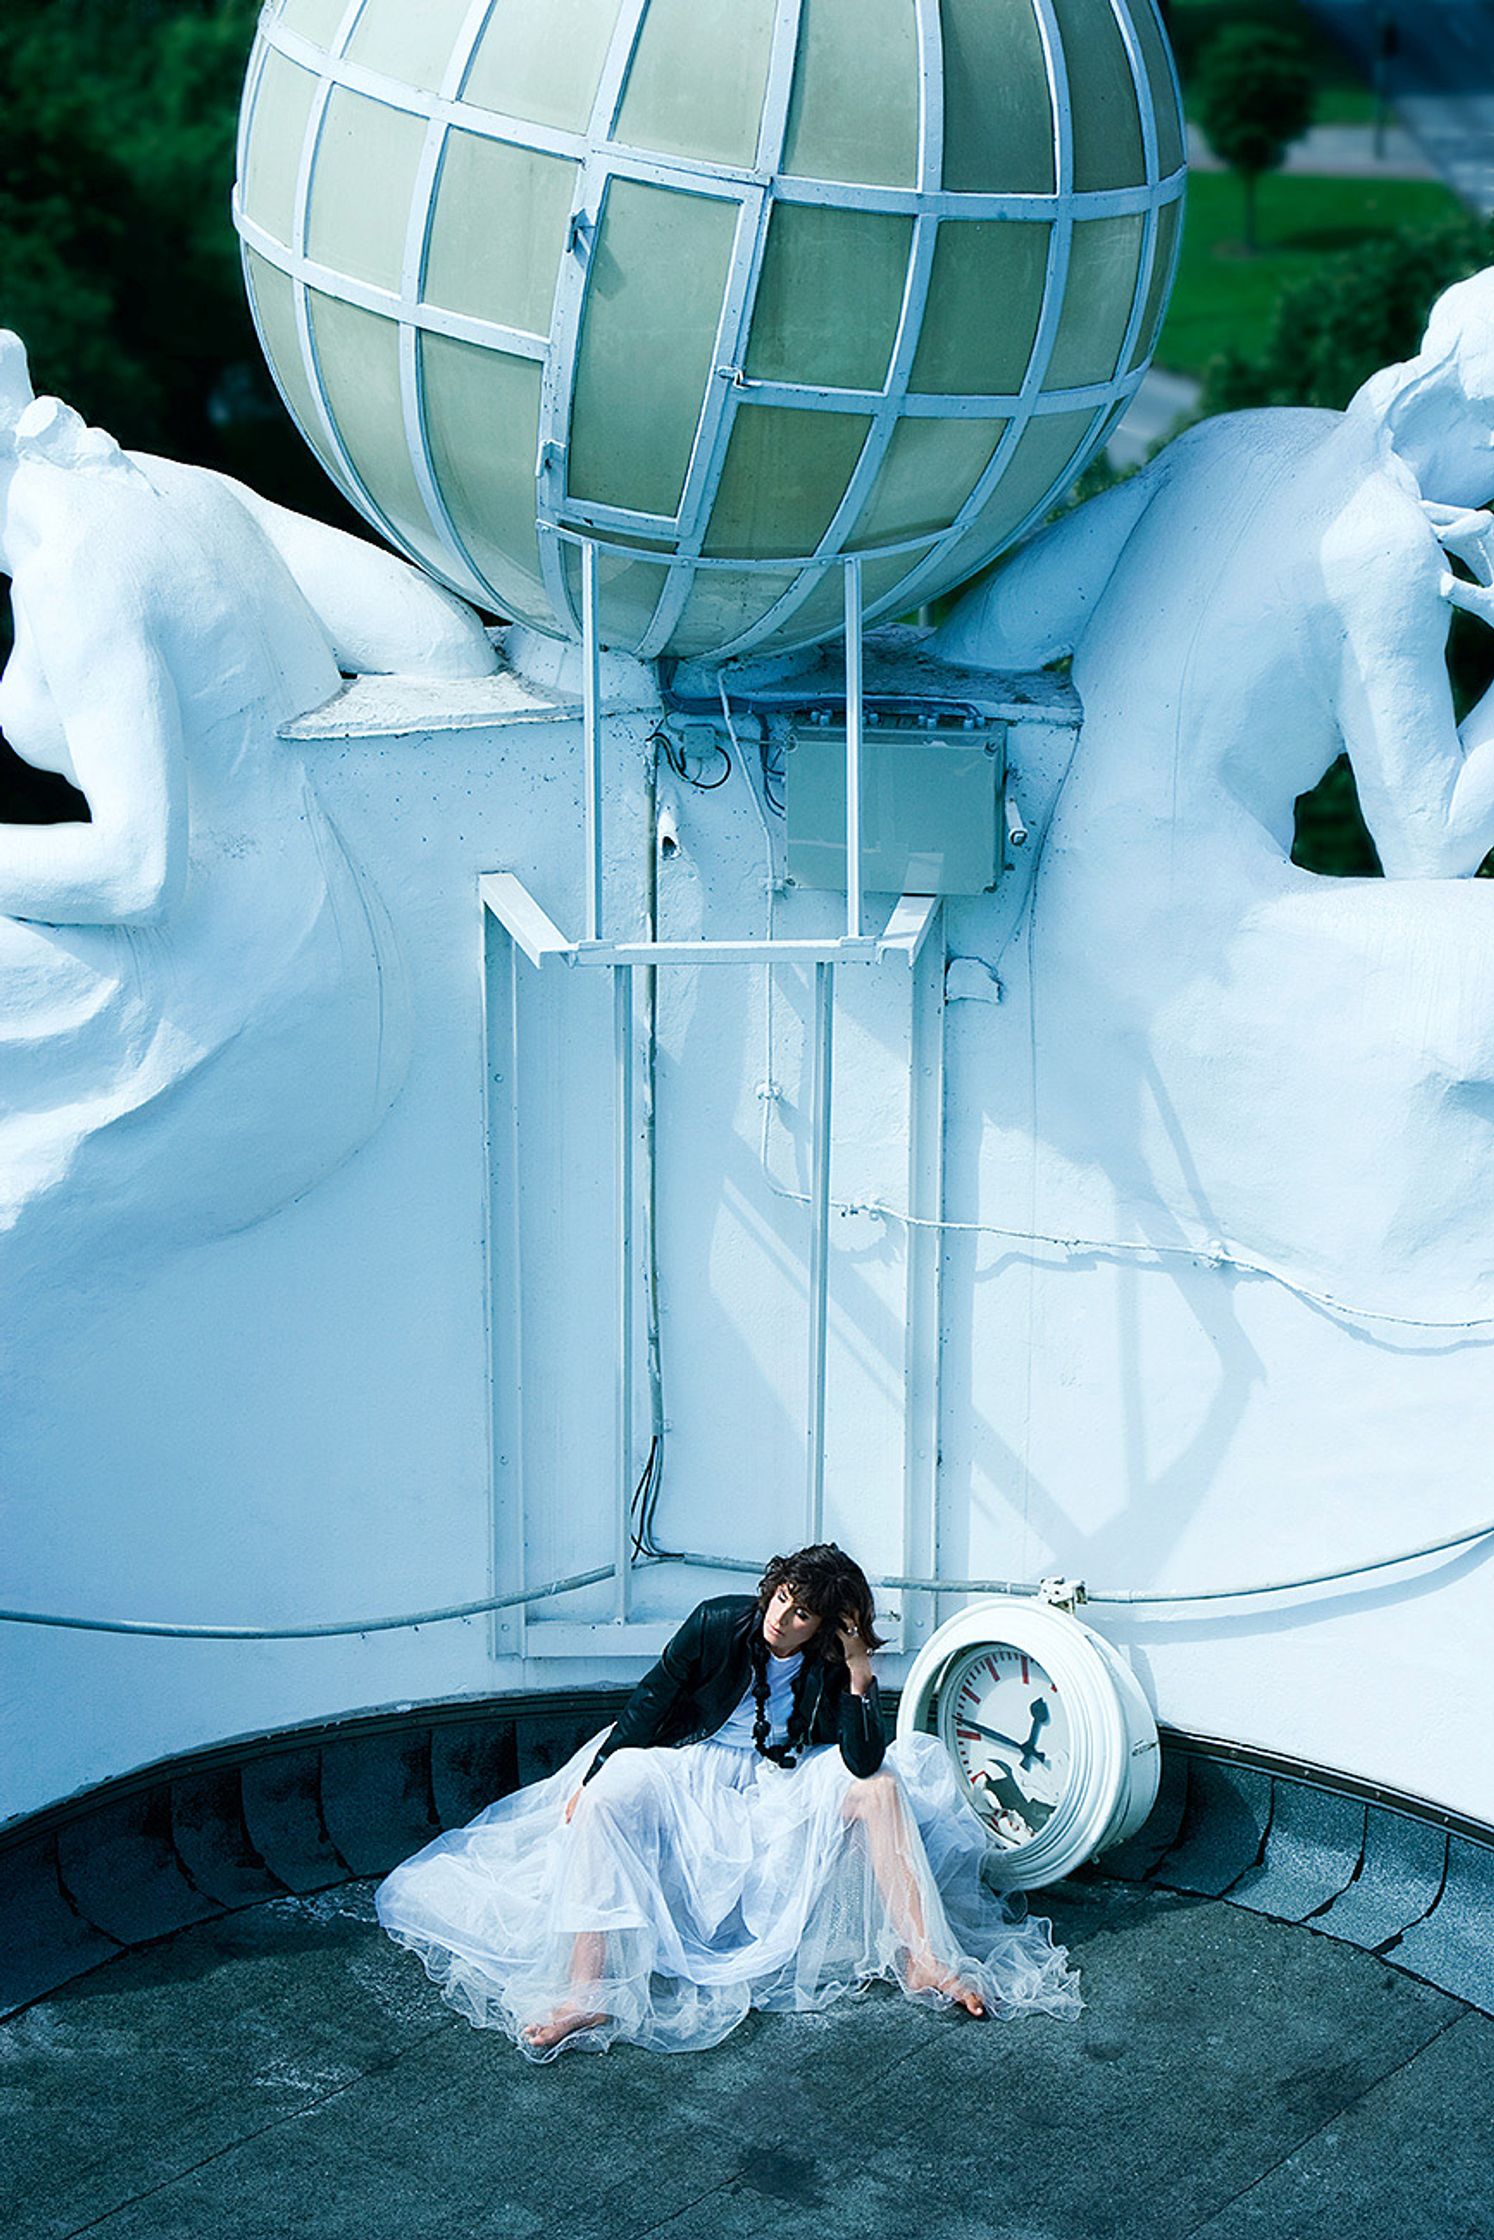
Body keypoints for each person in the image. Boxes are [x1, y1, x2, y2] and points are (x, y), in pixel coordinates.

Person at [376, 1544, 1081, 2062]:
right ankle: (586, 1993)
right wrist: (595, 1773)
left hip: (784, 1778)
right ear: (770, 1590)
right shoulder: (716, 1622)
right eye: (781, 1599)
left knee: (882, 1787)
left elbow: (862, 1757)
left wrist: (861, 1672)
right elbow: (651, 1703)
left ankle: (924, 1956)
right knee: (610, 1797)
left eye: (803, 1613)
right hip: (694, 1764)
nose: (784, 1617)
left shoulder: (835, 1664)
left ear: (825, 1624)